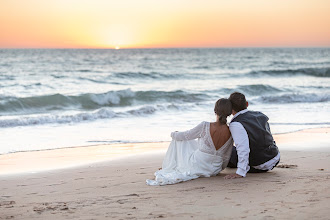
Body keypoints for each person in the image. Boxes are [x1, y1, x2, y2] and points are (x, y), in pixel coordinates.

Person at [146, 98, 233, 186]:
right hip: (214, 169)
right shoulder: (231, 131)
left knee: (178, 137)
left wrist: (173, 134)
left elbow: (186, 135)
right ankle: (171, 166)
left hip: (198, 165)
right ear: (229, 113)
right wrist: (218, 169)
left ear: (215, 111)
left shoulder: (205, 126)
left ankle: (169, 166)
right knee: (191, 143)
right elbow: (226, 157)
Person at [224, 92, 280, 179]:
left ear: (231, 109)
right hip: (274, 158)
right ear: (247, 104)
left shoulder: (236, 123)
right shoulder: (260, 115)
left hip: (259, 164)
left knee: (226, 149)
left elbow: (243, 149)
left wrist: (240, 172)